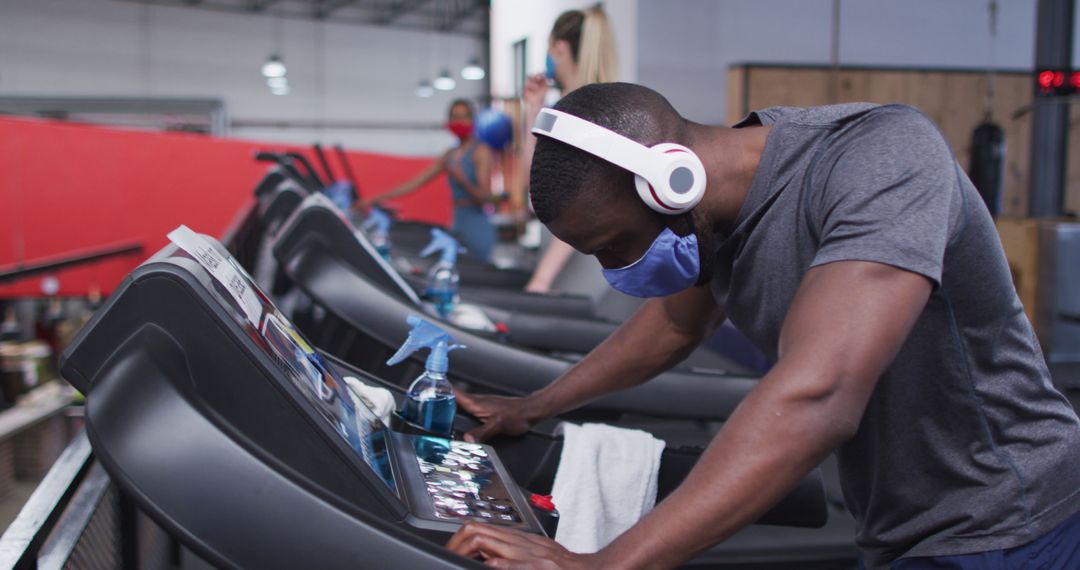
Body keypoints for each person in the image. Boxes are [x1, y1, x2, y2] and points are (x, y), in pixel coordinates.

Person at [446, 83, 1080, 568]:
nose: (617, 269)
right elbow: (669, 327)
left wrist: (605, 564)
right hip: (894, 518)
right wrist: (534, 406)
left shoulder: (882, 158)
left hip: (1006, 517)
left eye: (616, 245)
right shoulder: (715, 220)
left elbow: (820, 393)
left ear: (671, 180)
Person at [521, 6, 618, 293]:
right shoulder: (565, 110)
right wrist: (533, 109)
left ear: (560, 49)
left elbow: (583, 206)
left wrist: (541, 280)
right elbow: (535, 180)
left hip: (580, 256)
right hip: (564, 249)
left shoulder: (585, 113)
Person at [366, 99, 495, 261]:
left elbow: (485, 198)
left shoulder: (480, 151)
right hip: (457, 221)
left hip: (476, 224)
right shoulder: (450, 154)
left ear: (472, 120)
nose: (459, 122)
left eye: (463, 117)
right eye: (454, 117)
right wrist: (372, 199)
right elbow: (414, 183)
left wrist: (461, 179)